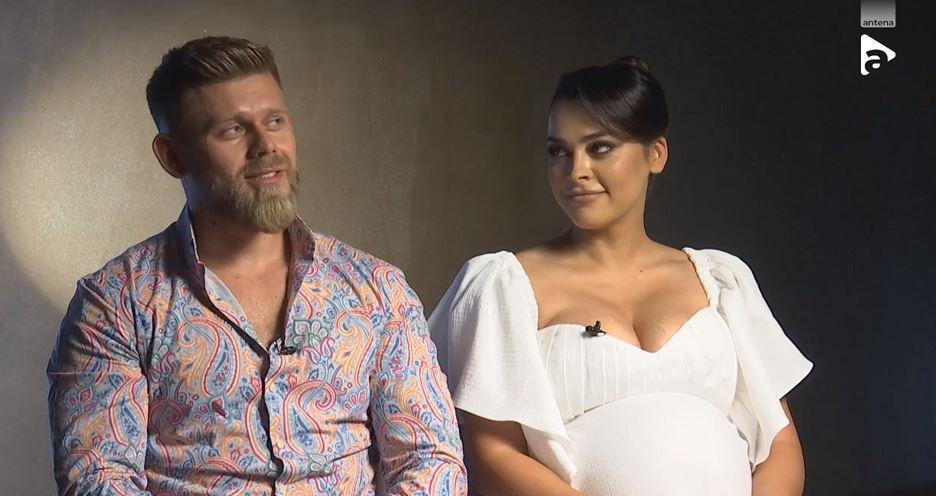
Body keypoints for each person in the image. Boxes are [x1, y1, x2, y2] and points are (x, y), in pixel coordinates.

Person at [47, 36, 467, 496]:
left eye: (275, 121)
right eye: (232, 129)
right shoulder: (115, 304)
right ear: (172, 156)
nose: (266, 145)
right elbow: (98, 479)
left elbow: (430, 459)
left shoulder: (377, 289)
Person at [429, 57, 812, 495]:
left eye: (600, 147)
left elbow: (780, 444)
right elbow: (493, 455)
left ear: (656, 154)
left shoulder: (721, 280)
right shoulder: (504, 285)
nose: (576, 171)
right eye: (558, 151)